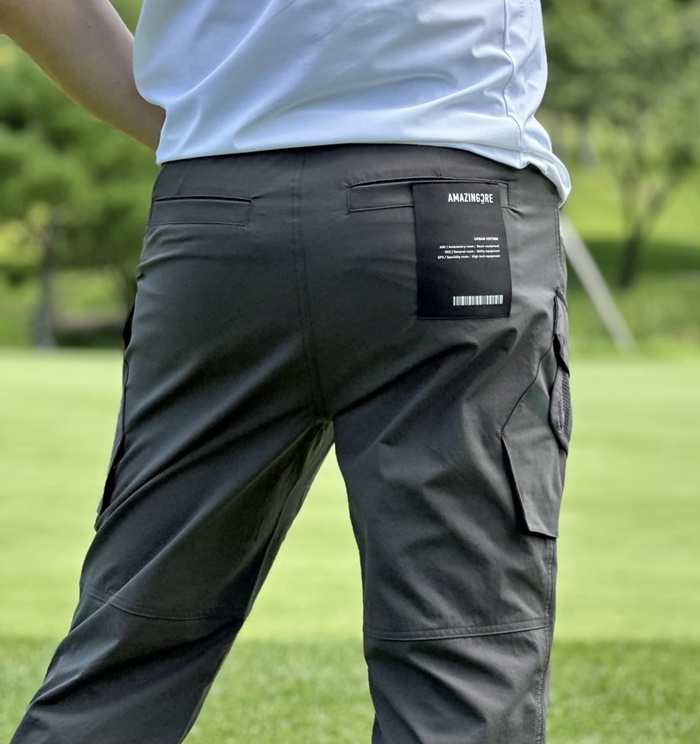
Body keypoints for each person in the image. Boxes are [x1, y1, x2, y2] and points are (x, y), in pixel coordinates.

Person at [1, 1, 573, 742]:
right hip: (449, 202)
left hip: (217, 213)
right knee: (459, 669)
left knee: (128, 654)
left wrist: (203, 125)